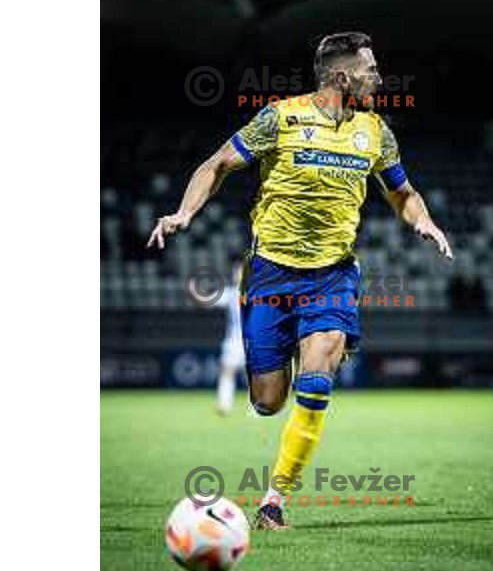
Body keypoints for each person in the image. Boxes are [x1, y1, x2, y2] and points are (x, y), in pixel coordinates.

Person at [147, 32, 453, 529]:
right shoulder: (280, 118)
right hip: (270, 273)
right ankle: (280, 361)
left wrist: (422, 220)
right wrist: (184, 214)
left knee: (317, 380)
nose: (378, 78)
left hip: (333, 275)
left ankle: (273, 502)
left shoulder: (376, 132)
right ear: (341, 76)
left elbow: (404, 192)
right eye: (370, 70)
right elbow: (217, 163)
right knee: (268, 401)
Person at [214, 262, 245, 415]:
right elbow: (210, 300)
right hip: (234, 341)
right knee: (227, 370)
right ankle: (224, 405)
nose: (238, 275)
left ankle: (260, 408)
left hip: (256, 341)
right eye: (236, 273)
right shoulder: (230, 293)